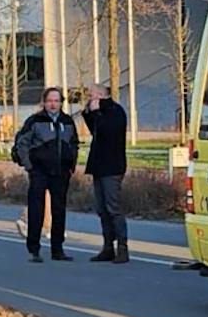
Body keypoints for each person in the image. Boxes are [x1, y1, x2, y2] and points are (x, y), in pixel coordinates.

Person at [12, 87, 80, 263]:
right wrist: (29, 166)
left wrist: (71, 164)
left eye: (57, 101)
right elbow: (22, 144)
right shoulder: (34, 121)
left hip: (61, 172)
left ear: (61, 103)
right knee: (36, 210)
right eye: (50, 100)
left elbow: (74, 144)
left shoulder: (68, 122)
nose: (53, 104)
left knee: (59, 211)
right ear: (44, 102)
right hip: (39, 171)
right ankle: (34, 249)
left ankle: (58, 249)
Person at [83, 82, 130, 264]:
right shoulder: (99, 112)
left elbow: (107, 132)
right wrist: (89, 114)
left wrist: (96, 112)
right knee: (102, 209)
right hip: (99, 166)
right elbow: (95, 131)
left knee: (113, 208)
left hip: (112, 167)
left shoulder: (115, 112)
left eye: (92, 95)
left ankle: (123, 247)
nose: (90, 98)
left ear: (101, 95)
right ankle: (108, 246)